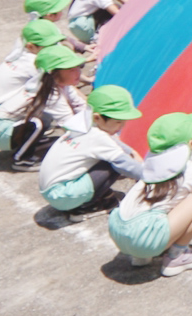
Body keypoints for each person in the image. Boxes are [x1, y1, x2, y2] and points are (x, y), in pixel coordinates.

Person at [109, 118, 192, 275]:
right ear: (191, 143)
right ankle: (177, 257)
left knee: (162, 204)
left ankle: (140, 257)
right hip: (144, 239)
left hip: (117, 229)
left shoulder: (150, 165)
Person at [37, 85, 145, 221]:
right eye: (118, 122)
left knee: (113, 155)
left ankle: (83, 198)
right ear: (98, 118)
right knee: (113, 163)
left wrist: (132, 151)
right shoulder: (97, 136)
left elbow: (112, 142)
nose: (121, 127)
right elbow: (125, 164)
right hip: (64, 197)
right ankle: (85, 206)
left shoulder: (81, 124)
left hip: (53, 192)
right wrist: (152, 177)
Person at [0, 45, 89, 171]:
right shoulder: (51, 93)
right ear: (54, 73)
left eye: (79, 67)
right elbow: (70, 125)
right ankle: (22, 159)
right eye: (71, 70)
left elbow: (81, 106)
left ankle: (30, 142)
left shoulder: (63, 85)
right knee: (39, 122)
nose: (78, 72)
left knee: (43, 120)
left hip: (13, 126)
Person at [0, 19, 63, 118]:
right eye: (49, 46)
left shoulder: (20, 55)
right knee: (47, 91)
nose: (54, 49)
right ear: (31, 47)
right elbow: (58, 87)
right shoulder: (33, 62)